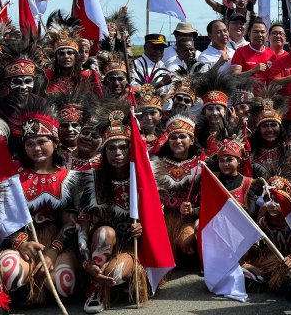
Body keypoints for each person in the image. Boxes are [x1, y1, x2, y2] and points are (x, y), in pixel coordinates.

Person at [0, 110, 81, 306]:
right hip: (22, 242)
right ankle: (23, 290)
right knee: (10, 271)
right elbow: (3, 216)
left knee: (63, 282)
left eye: (42, 141)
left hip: (57, 244)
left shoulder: (70, 178)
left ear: (55, 143)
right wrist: (21, 243)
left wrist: (53, 252)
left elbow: (71, 224)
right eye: (30, 143)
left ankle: (39, 290)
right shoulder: (13, 175)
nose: (36, 148)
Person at [77, 107, 147, 313]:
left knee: (116, 274)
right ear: (103, 151)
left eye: (124, 147)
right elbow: (82, 227)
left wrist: (143, 226)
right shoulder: (91, 179)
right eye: (111, 148)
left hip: (133, 247)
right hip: (102, 246)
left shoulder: (143, 178)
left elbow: (157, 218)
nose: (117, 153)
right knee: (104, 233)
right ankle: (95, 287)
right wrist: (87, 262)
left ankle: (125, 279)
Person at [152, 115, 201, 262]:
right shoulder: (156, 165)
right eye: (173, 137)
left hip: (190, 220)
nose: (177, 141)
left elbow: (210, 201)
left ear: (191, 140)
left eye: (182, 136)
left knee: (187, 245)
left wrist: (193, 210)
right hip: (164, 220)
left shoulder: (202, 165)